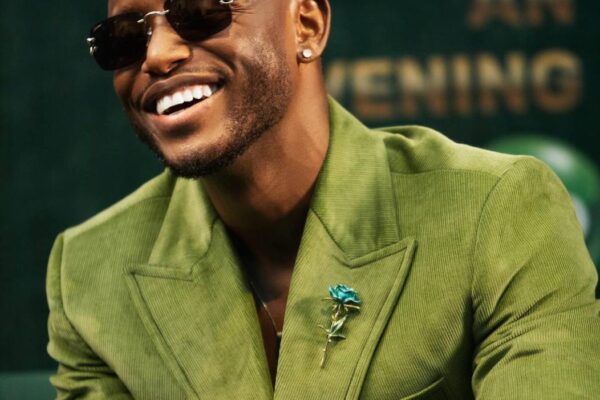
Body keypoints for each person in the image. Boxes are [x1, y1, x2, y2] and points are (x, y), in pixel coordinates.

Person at [46, 0, 600, 398]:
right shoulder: (89, 276)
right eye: (125, 37)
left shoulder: (497, 210)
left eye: (201, 10)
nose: (158, 54)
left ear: (305, 22)